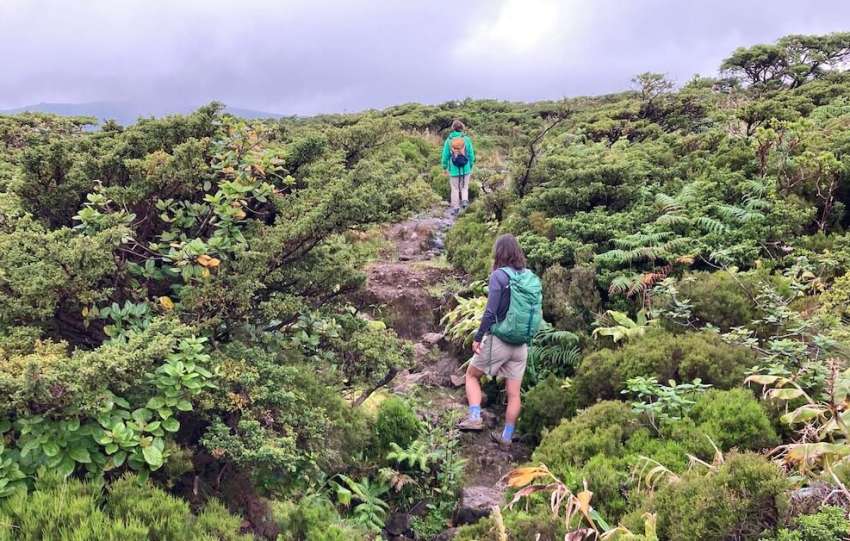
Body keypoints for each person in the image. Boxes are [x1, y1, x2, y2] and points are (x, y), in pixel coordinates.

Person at [458, 234, 541, 450]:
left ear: (498, 253)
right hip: (521, 345)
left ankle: (475, 417)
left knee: (471, 375)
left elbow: (490, 311)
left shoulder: (499, 276)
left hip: (501, 340)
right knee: (514, 393)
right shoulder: (527, 276)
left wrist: (478, 338)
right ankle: (506, 436)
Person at [441, 120, 475, 215]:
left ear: (453, 128)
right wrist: (471, 164)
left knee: (455, 188)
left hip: (454, 169)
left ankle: (455, 208)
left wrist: (444, 166)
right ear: (462, 128)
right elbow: (471, 154)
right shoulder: (466, 139)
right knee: (465, 187)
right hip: (466, 168)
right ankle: (464, 201)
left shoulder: (449, 140)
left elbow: (445, 155)